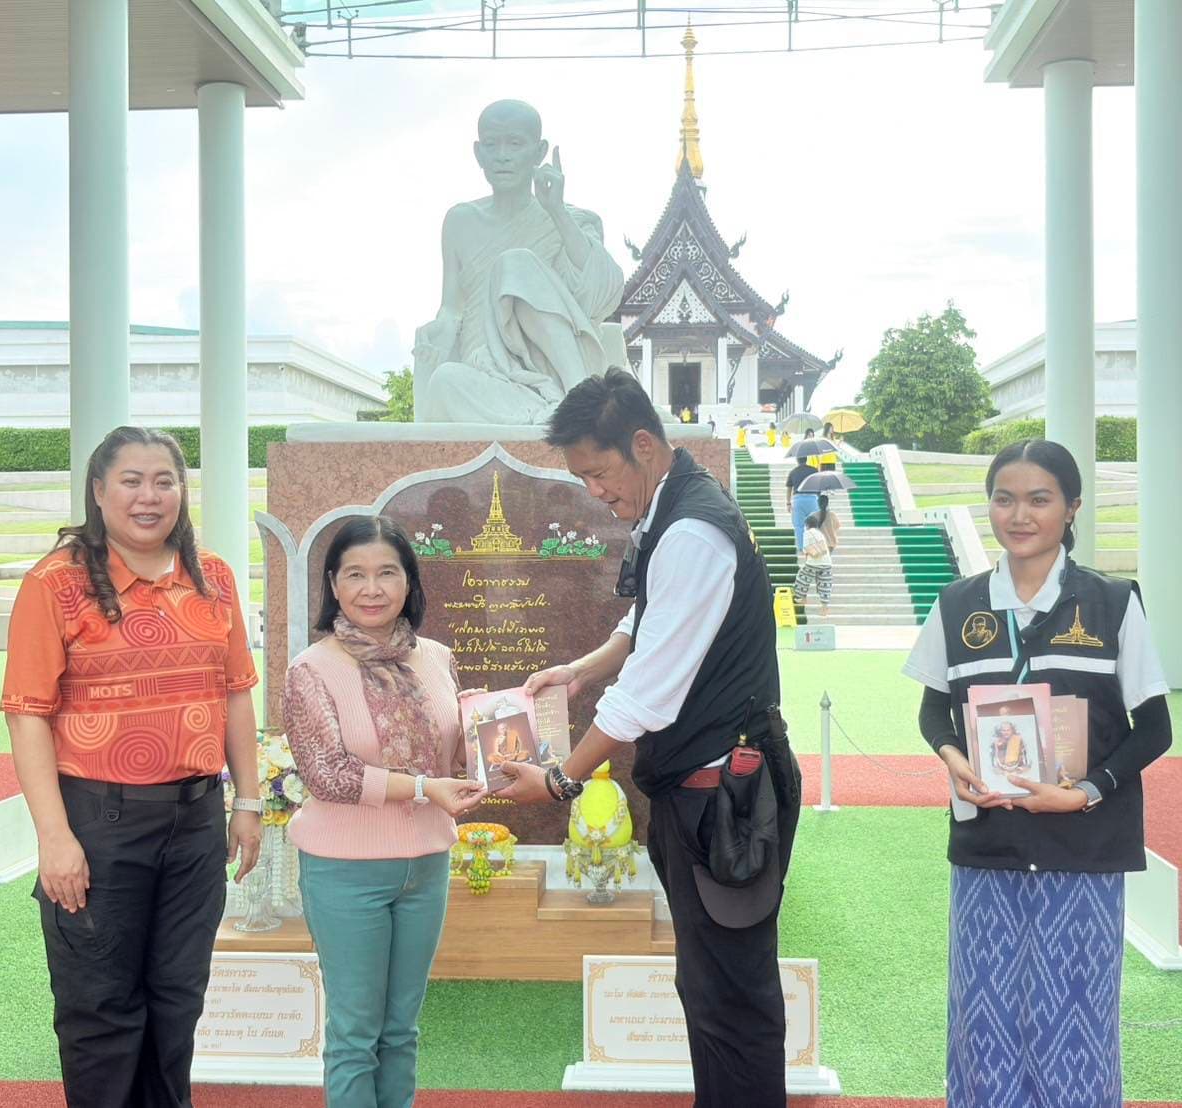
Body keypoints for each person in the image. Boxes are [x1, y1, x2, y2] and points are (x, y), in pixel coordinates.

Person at [497, 368, 801, 1108]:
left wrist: (562, 780)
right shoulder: (673, 514)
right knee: (709, 984)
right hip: (702, 789)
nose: (595, 491)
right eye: (582, 478)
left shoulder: (691, 528)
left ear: (643, 444)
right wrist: (578, 669)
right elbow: (648, 623)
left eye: (598, 473)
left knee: (731, 995)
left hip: (725, 797)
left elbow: (646, 698)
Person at [900, 439, 1173, 1108]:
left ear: (1071, 507)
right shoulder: (958, 603)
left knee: (1074, 1021)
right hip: (986, 847)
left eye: (1038, 499)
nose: (1017, 515)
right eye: (1002, 498)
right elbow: (934, 706)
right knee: (982, 1018)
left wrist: (1082, 793)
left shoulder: (1110, 602)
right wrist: (953, 757)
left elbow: (1155, 730)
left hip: (1083, 850)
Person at [1, 426, 261, 1107]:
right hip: (98, 820)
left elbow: (236, 692)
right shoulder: (55, 583)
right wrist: (55, 838)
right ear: (98, 490)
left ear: (182, 490)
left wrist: (249, 803)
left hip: (196, 819)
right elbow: (26, 712)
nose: (150, 496)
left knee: (178, 1003)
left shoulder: (214, 576)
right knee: (102, 1009)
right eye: (132, 480)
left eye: (165, 480)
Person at [283, 515, 486, 1108]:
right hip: (346, 870)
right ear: (334, 584)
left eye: (387, 573)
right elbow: (328, 776)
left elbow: (453, 755)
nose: (372, 588)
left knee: (401, 1032)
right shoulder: (311, 670)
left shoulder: (438, 659)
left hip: (426, 864)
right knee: (355, 1036)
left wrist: (503, 738)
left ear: (408, 582)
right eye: (356, 575)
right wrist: (425, 788)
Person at [412, 99, 625, 423]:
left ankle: (578, 400)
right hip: (489, 373)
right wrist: (434, 334)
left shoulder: (575, 221)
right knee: (444, 382)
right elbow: (452, 308)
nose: (502, 155)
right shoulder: (460, 222)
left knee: (514, 265)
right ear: (477, 152)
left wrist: (556, 211)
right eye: (491, 144)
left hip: (555, 372)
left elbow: (600, 297)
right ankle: (549, 416)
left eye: (515, 143)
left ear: (539, 152)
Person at [791, 509, 832, 617]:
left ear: (807, 525)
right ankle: (825, 608)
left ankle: (802, 598)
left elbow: (807, 549)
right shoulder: (820, 533)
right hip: (827, 563)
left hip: (814, 562)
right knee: (824, 585)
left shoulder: (807, 533)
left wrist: (807, 558)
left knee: (802, 578)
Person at [785, 455, 819, 552]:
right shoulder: (814, 470)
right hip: (812, 498)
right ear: (806, 459)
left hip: (798, 499)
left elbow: (789, 488)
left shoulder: (793, 472)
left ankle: (801, 547)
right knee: (814, 524)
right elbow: (819, 485)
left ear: (797, 460)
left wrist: (788, 503)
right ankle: (814, 546)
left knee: (799, 526)